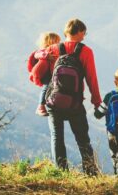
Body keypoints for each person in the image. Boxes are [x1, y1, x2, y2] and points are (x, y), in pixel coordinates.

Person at [34, 19, 101, 176]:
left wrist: (47, 84)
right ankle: (91, 173)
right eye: (84, 33)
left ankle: (62, 173)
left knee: (57, 137)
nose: (84, 37)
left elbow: (36, 74)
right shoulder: (86, 51)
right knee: (83, 139)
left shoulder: (52, 49)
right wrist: (96, 101)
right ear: (78, 32)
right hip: (75, 103)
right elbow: (92, 78)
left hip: (54, 101)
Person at [27, 32, 61, 116]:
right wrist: (46, 55)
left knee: (53, 88)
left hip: (52, 73)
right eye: (56, 41)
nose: (58, 44)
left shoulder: (56, 51)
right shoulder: (42, 51)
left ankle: (52, 103)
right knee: (46, 87)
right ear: (49, 42)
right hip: (46, 74)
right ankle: (41, 106)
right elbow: (36, 55)